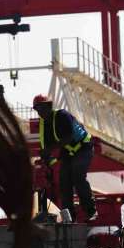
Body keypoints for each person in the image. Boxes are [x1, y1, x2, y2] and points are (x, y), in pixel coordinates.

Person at [32, 94, 97, 223]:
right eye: (37, 109)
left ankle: (91, 211)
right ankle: (70, 218)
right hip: (68, 152)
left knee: (78, 177)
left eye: (41, 108)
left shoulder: (62, 116)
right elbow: (46, 146)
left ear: (49, 106)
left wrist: (50, 150)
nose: (40, 112)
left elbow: (69, 137)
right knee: (64, 184)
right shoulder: (44, 124)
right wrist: (47, 161)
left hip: (83, 148)